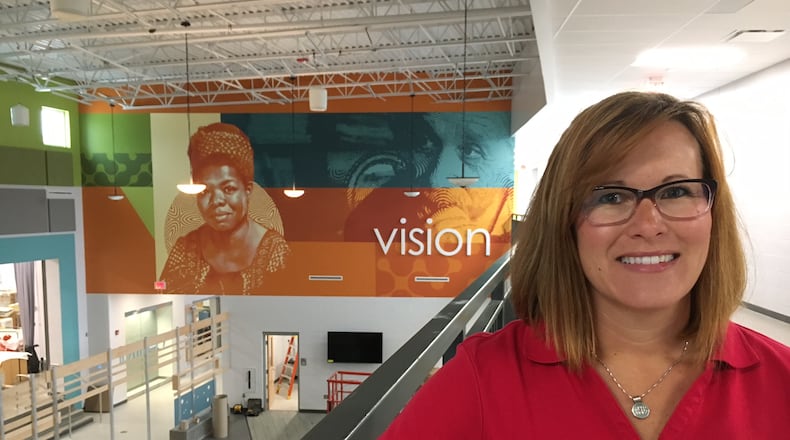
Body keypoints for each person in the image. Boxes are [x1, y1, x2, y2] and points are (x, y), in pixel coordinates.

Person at [380, 91, 790, 439]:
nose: (648, 225)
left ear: (713, 212)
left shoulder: (781, 378)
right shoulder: (481, 379)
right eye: (611, 197)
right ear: (566, 223)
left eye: (676, 191)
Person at [160, 122, 289, 294]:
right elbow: (167, 300)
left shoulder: (274, 252)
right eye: (204, 191)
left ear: (247, 190)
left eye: (228, 189)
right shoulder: (186, 250)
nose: (216, 201)